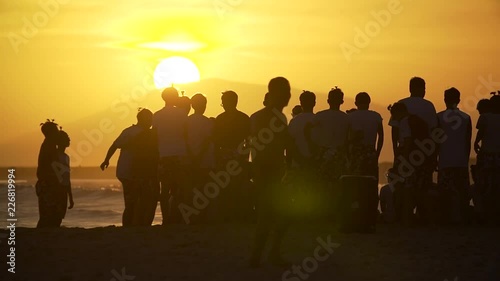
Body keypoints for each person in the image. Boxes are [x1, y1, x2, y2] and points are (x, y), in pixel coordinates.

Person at [249, 77, 291, 267]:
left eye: (288, 92)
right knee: (268, 216)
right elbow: (259, 148)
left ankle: (268, 254)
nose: (288, 96)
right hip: (267, 172)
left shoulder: (278, 117)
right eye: (285, 92)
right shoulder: (264, 117)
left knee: (280, 215)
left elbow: (283, 145)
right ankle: (257, 258)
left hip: (275, 171)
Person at [389, 77, 438, 225]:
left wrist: (395, 151)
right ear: (422, 89)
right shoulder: (429, 106)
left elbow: (394, 131)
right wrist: (433, 154)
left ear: (410, 88)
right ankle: (423, 216)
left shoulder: (401, 104)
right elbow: (434, 132)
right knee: (422, 185)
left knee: (403, 185)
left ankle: (404, 215)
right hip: (424, 152)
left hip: (405, 150)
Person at [100, 108, 156, 227]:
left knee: (135, 201)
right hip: (129, 171)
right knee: (132, 202)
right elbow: (115, 145)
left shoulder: (132, 131)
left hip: (130, 171)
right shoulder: (133, 132)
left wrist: (106, 160)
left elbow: (114, 145)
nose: (152, 122)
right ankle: (128, 226)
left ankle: (132, 225)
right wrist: (106, 160)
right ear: (144, 119)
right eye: (150, 119)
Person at [310, 87, 350, 219]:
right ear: (342, 101)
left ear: (328, 100)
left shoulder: (320, 116)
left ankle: (321, 212)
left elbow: (309, 133)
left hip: (323, 155)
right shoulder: (346, 118)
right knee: (337, 187)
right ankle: (335, 213)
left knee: (321, 186)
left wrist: (314, 149)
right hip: (339, 155)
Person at [213, 90, 252, 222]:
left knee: (225, 188)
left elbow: (215, 141)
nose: (223, 104)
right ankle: (237, 215)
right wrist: (245, 156)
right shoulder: (244, 118)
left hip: (225, 156)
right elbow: (249, 141)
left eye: (223, 102)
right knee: (237, 187)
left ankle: (227, 215)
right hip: (238, 156)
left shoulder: (220, 119)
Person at [152, 87, 189, 224]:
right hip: (180, 154)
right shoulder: (182, 114)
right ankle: (178, 217)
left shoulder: (157, 115)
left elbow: (154, 137)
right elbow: (186, 133)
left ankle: (166, 218)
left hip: (164, 155)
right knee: (180, 188)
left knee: (165, 189)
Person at [437, 87, 472, 224]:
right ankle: (463, 219)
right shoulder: (466, 117)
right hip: (461, 161)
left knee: (445, 193)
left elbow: (435, 141)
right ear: (459, 100)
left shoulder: (439, 117)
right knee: (462, 193)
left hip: (445, 161)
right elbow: (468, 141)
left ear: (445, 99)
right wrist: (466, 159)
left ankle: (446, 219)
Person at [287, 91, 317, 218]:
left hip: (297, 162)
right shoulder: (318, 120)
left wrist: (290, 164)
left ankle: (299, 215)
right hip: (315, 162)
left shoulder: (294, 122)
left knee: (298, 191)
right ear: (314, 103)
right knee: (314, 191)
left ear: (301, 103)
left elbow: (289, 145)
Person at [186, 93, 215, 223]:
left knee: (192, 189)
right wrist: (199, 156)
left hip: (190, 160)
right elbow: (207, 141)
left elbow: (185, 140)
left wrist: (192, 155)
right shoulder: (207, 122)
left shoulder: (186, 121)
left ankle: (192, 217)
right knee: (205, 190)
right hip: (205, 161)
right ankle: (203, 217)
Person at [474, 94, 500, 225]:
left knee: (483, 186)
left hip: (487, 156)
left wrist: (475, 143)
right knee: (495, 186)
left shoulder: (485, 117)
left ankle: (482, 215)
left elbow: (480, 132)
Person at [347, 92, 384, 177]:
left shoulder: (350, 117)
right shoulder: (376, 116)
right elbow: (381, 136)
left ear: (356, 103)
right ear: (369, 102)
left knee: (355, 179)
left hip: (355, 153)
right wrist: (377, 153)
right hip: (370, 152)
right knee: (370, 180)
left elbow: (346, 137)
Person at [36, 119, 62, 228]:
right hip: (46, 183)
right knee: (47, 213)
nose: (58, 133)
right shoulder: (49, 146)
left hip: (45, 182)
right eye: (56, 131)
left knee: (47, 213)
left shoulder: (48, 145)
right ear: (51, 133)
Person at [52, 130, 74, 227]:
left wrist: (70, 196)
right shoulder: (55, 155)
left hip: (64, 189)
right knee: (56, 214)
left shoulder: (66, 157)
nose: (69, 140)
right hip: (57, 189)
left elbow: (67, 177)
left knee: (61, 215)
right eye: (66, 139)